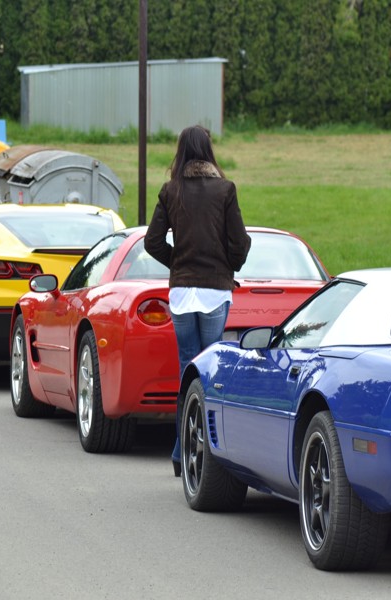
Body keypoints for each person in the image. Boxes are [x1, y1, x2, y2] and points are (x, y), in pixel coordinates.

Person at [144, 125, 251, 477]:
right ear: (207, 150)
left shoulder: (170, 190)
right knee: (210, 373)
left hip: (181, 293)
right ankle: (206, 454)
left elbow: (152, 242)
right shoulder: (225, 189)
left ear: (181, 151)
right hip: (215, 291)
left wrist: (177, 263)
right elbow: (239, 242)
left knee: (186, 370)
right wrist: (229, 265)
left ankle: (181, 451)